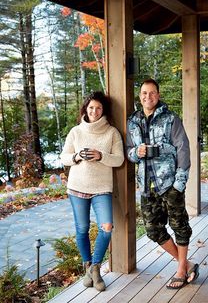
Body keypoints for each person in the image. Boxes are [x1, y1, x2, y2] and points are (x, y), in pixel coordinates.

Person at [126, 78, 199, 289]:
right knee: (152, 230)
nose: (147, 97)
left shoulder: (170, 118)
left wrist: (179, 183)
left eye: (152, 93)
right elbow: (128, 151)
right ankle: (186, 264)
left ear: (158, 95)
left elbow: (183, 148)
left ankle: (180, 270)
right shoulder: (133, 121)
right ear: (140, 96)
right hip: (147, 185)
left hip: (170, 184)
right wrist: (135, 152)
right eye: (144, 93)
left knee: (179, 226)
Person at [60, 91, 124, 291]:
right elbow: (64, 157)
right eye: (90, 108)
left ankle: (95, 267)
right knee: (82, 229)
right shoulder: (75, 132)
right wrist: (77, 156)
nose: (94, 111)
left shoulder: (112, 132)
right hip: (77, 187)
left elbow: (119, 159)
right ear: (85, 110)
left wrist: (101, 155)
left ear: (103, 109)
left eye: (98, 108)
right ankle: (88, 266)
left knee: (106, 228)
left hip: (101, 188)